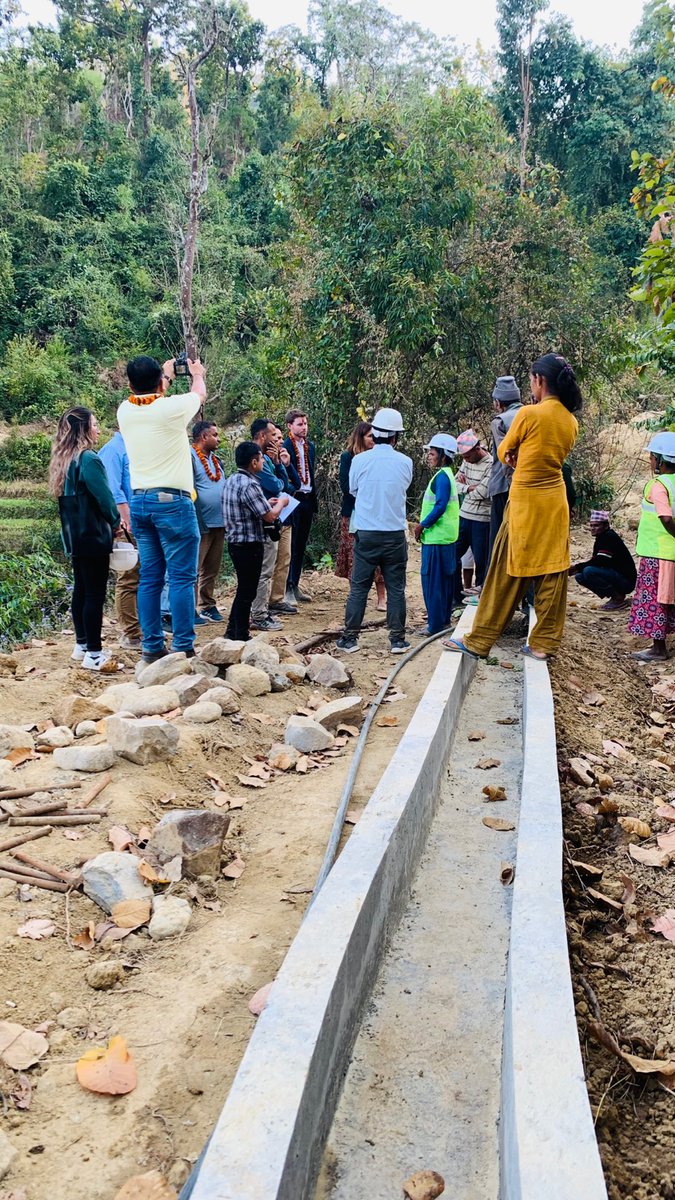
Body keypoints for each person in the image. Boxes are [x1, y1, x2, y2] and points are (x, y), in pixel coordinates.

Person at [444, 353, 582, 661]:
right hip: (555, 501)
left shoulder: (529, 415)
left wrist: (516, 453)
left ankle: (479, 640)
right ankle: (543, 643)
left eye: (531, 380)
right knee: (552, 571)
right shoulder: (570, 421)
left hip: (526, 501)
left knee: (504, 570)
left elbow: (505, 452)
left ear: (539, 381)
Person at [118, 355, 205, 664]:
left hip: (140, 501)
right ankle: (183, 645)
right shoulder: (171, 408)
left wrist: (164, 376)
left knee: (151, 577)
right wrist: (196, 373)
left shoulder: (125, 410)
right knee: (182, 577)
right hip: (173, 502)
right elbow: (199, 394)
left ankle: (152, 645)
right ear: (158, 383)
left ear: (129, 385)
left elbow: (151, 399)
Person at [49, 406, 122, 670]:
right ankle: (94, 653)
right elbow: (103, 496)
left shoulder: (65, 459)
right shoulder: (88, 458)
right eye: (94, 424)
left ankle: (81, 645)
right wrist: (116, 522)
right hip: (93, 534)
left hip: (74, 534)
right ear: (83, 429)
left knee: (81, 589)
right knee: (94, 594)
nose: (98, 428)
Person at [337, 408, 413, 655]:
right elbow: (404, 488)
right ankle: (397, 640)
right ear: (395, 437)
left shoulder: (359, 461)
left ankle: (350, 638)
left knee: (359, 587)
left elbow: (353, 490)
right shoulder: (405, 462)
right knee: (396, 587)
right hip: (393, 534)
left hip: (367, 533)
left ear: (376, 434)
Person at [222, 441, 289, 641]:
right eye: (261, 459)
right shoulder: (250, 484)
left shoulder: (232, 480)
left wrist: (265, 503)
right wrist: (282, 503)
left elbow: (247, 507)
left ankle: (231, 631)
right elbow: (269, 516)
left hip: (235, 542)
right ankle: (241, 634)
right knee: (247, 591)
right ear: (254, 462)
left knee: (244, 588)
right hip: (249, 543)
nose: (263, 463)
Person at [628, 432, 675, 662]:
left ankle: (658, 649)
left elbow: (666, 518)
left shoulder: (657, 485)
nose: (650, 461)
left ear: (659, 459)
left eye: (652, 457)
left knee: (656, 599)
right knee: (670, 597)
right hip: (671, 555)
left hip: (657, 554)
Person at [250, 418, 295, 631]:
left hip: (269, 516)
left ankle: (262, 609)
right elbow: (279, 484)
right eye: (272, 435)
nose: (277, 440)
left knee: (269, 565)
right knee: (264, 569)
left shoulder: (265, 459)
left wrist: (278, 466)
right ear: (262, 437)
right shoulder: (257, 459)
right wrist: (278, 467)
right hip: (264, 520)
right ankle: (258, 614)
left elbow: (284, 483)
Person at [98, 428, 142, 650]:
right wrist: (124, 524)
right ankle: (130, 632)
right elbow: (113, 491)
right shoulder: (114, 450)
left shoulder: (135, 447)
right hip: (127, 524)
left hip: (141, 520)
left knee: (144, 576)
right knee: (128, 576)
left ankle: (141, 626)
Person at [336, 421, 386, 612]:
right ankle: (357, 597)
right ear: (361, 437)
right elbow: (346, 486)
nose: (373, 440)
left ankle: (382, 598)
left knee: (378, 553)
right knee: (353, 554)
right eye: (370, 436)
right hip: (354, 513)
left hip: (375, 513)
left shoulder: (379, 457)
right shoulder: (348, 457)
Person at [413, 434, 459, 635]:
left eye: (432, 453)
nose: (429, 456)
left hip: (436, 538)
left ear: (443, 455)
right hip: (446, 537)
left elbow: (440, 505)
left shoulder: (441, 478)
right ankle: (444, 621)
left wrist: (422, 525)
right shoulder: (448, 475)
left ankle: (435, 625)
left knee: (433, 582)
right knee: (445, 582)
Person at [191, 420, 226, 624]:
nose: (218, 438)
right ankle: (191, 608)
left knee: (212, 568)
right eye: (214, 435)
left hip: (219, 522)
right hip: (201, 522)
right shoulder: (191, 457)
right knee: (194, 568)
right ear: (204, 437)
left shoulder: (216, 459)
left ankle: (208, 605)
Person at [453, 430, 493, 604]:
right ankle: (456, 596)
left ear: (478, 449)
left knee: (481, 561)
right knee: (452, 556)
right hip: (464, 515)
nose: (466, 460)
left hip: (482, 520)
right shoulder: (465, 460)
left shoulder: (491, 464)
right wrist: (468, 488)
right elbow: (454, 483)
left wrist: (465, 486)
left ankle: (480, 599)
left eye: (468, 456)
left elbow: (483, 492)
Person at [283, 409, 317, 604]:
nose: (304, 428)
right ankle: (286, 587)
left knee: (301, 544)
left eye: (305, 424)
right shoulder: (286, 446)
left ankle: (295, 584)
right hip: (292, 498)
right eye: (299, 424)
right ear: (290, 426)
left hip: (307, 499)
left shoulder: (309, 447)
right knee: (291, 544)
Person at [570, 511, 636, 611]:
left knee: (588, 571)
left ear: (606, 526)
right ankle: (615, 596)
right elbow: (598, 560)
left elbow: (601, 560)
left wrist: (577, 567)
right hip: (617, 576)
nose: (593, 528)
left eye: (596, 525)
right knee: (580, 576)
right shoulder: (602, 537)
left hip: (626, 580)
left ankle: (618, 598)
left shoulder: (608, 537)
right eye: (591, 525)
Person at [268, 424, 301, 618]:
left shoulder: (281, 460)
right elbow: (278, 487)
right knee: (268, 563)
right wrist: (279, 467)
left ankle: (277, 599)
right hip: (271, 518)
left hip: (286, 517)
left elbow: (295, 485)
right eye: (277, 438)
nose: (281, 441)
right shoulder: (263, 461)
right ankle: (262, 604)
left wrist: (287, 465)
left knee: (284, 559)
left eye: (281, 438)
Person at [488, 376, 522, 557]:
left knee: (499, 540)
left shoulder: (500, 421)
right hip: (529, 486)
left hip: (505, 487)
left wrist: (514, 485)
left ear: (498, 402)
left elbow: (505, 458)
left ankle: (495, 584)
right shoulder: (530, 414)